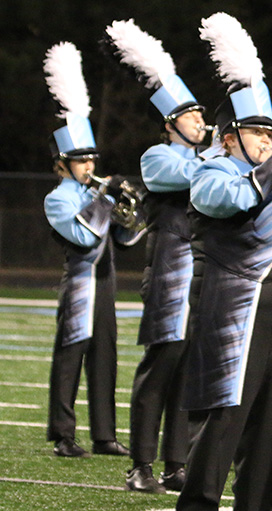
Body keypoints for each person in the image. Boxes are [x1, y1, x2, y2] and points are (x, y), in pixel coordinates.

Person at [174, 12, 272, 511]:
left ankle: (256, 510)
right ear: (230, 136)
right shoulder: (210, 171)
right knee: (226, 404)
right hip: (232, 297)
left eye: (270, 133)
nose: (267, 140)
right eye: (258, 133)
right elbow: (236, 203)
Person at [105, 19, 209, 493]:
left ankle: (176, 463)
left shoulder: (208, 160)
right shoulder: (157, 157)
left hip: (202, 274)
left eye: (202, 116)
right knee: (159, 368)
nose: (201, 123)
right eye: (191, 118)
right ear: (171, 124)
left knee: (190, 372)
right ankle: (140, 465)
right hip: (169, 272)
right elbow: (186, 179)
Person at [43, 42, 138, 458]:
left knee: (106, 357)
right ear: (62, 164)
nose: (88, 166)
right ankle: (63, 434)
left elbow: (127, 237)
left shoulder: (92, 192)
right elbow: (83, 235)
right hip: (80, 282)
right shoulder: (57, 198)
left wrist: (131, 208)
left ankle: (105, 435)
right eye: (80, 161)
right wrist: (105, 199)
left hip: (107, 282)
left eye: (91, 159)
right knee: (71, 356)